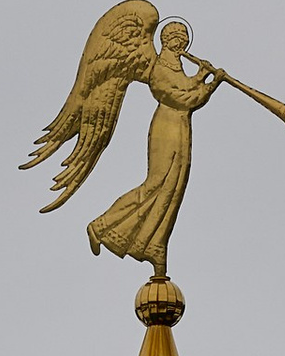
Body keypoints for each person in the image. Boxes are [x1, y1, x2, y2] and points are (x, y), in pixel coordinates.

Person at [85, 22, 224, 273]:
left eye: (183, 38)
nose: (181, 42)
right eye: (176, 37)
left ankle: (153, 244)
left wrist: (202, 76)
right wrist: (210, 85)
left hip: (181, 128)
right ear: (166, 40)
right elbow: (182, 98)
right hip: (167, 127)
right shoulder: (159, 67)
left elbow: (185, 87)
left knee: (173, 187)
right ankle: (102, 224)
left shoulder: (177, 66)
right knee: (156, 183)